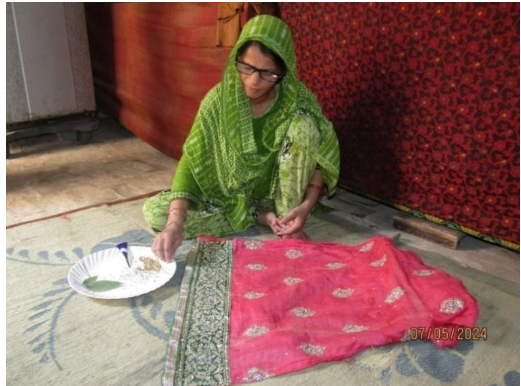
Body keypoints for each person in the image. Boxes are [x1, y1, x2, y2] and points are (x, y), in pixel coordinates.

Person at [143, 15, 340, 262]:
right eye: (246, 67)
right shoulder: (218, 101)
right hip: (227, 195)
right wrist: (174, 224)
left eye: (268, 73)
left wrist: (305, 207)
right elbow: (192, 162)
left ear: (283, 70)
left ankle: (287, 220)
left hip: (278, 194)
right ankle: (259, 216)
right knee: (157, 213)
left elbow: (321, 157)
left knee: (305, 126)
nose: (254, 81)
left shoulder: (298, 100)